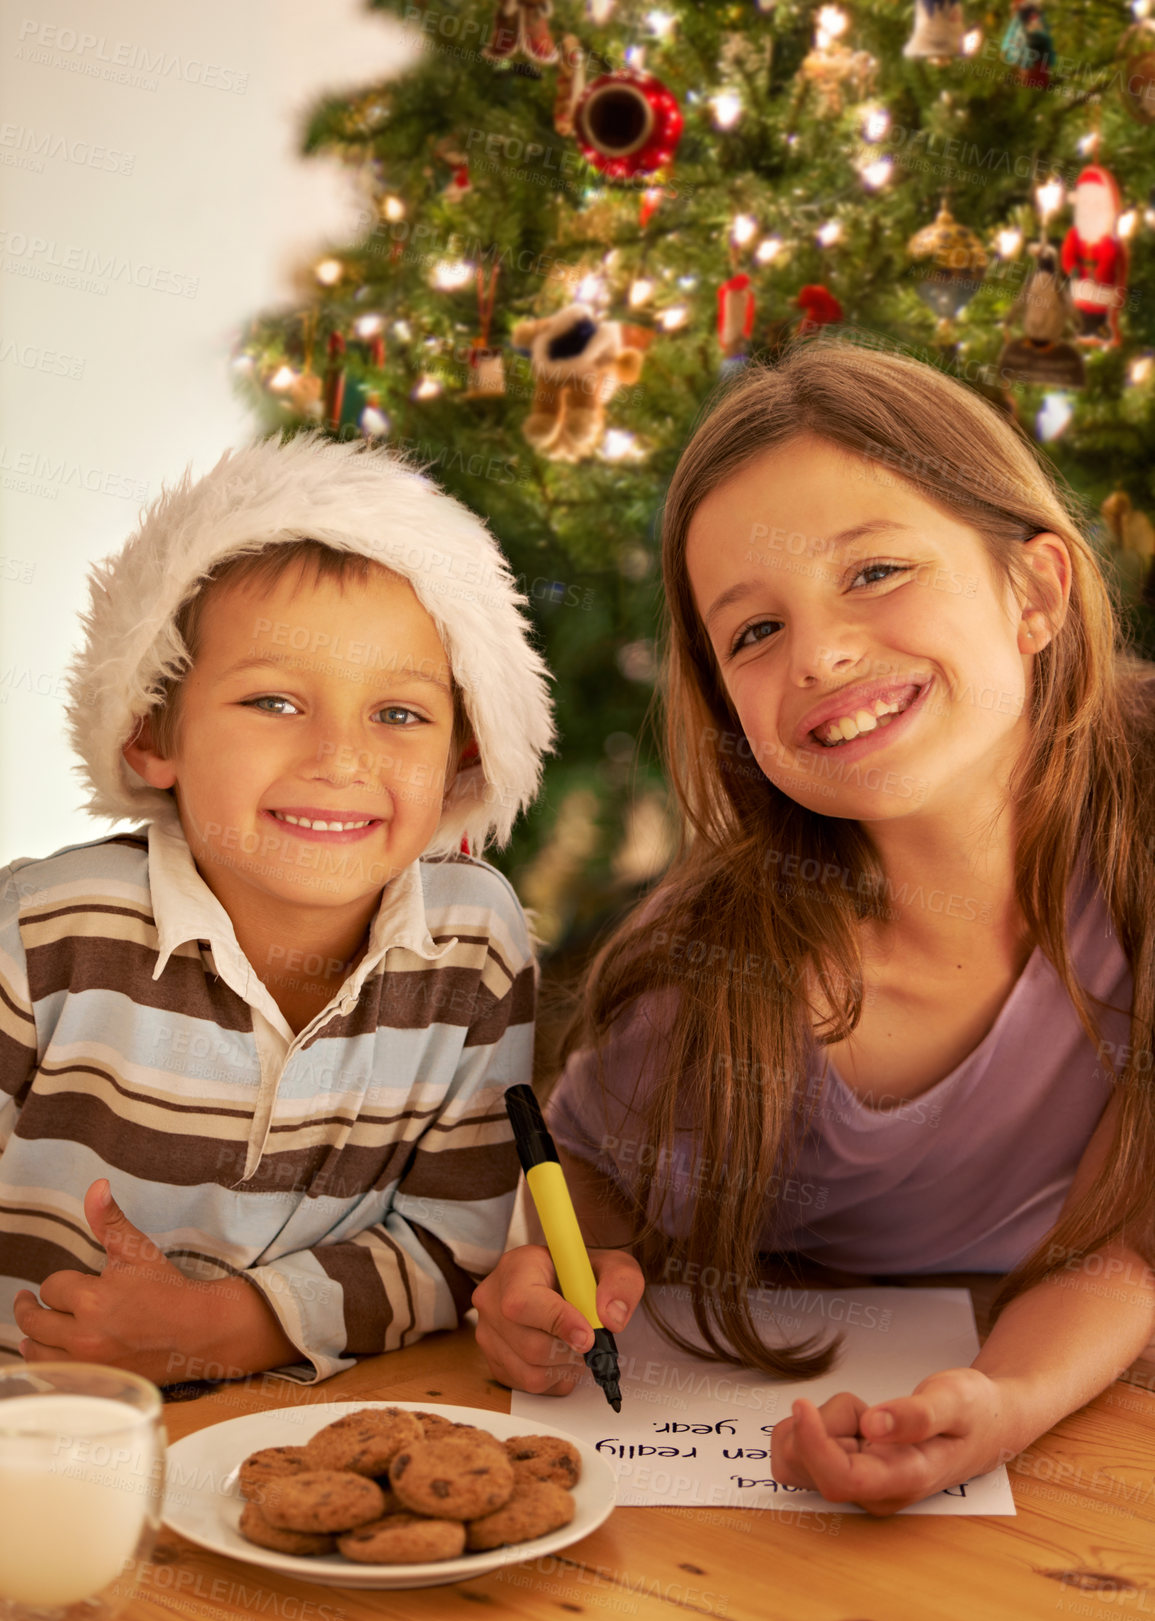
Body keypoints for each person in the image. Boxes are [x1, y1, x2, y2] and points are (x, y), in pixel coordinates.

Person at [474, 335, 1155, 1515]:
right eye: (754, 632)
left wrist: (1000, 1404)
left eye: (877, 571)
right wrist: (547, 1277)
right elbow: (582, 1168)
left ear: (1035, 591)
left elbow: (1132, 1252)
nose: (825, 653)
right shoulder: (720, 974)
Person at [0, 432, 553, 1386]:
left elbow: (449, 1245)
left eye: (399, 713)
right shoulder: (44, 931)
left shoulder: (475, 948)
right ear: (149, 732)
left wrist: (227, 1327)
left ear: (462, 757)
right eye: (273, 701)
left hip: (303, 1427)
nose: (341, 758)